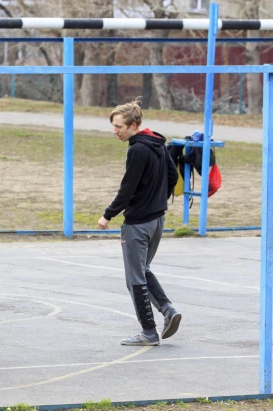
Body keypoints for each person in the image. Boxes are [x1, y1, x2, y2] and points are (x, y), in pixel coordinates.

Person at [98, 98, 181, 347]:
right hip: (157, 219)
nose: (115, 131)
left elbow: (127, 188)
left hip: (138, 223)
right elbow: (173, 175)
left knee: (134, 278)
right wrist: (158, 199)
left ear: (133, 125)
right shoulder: (157, 142)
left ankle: (148, 332)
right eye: (113, 126)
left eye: (119, 127)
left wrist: (108, 214)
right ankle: (168, 310)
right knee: (143, 270)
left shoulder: (137, 149)